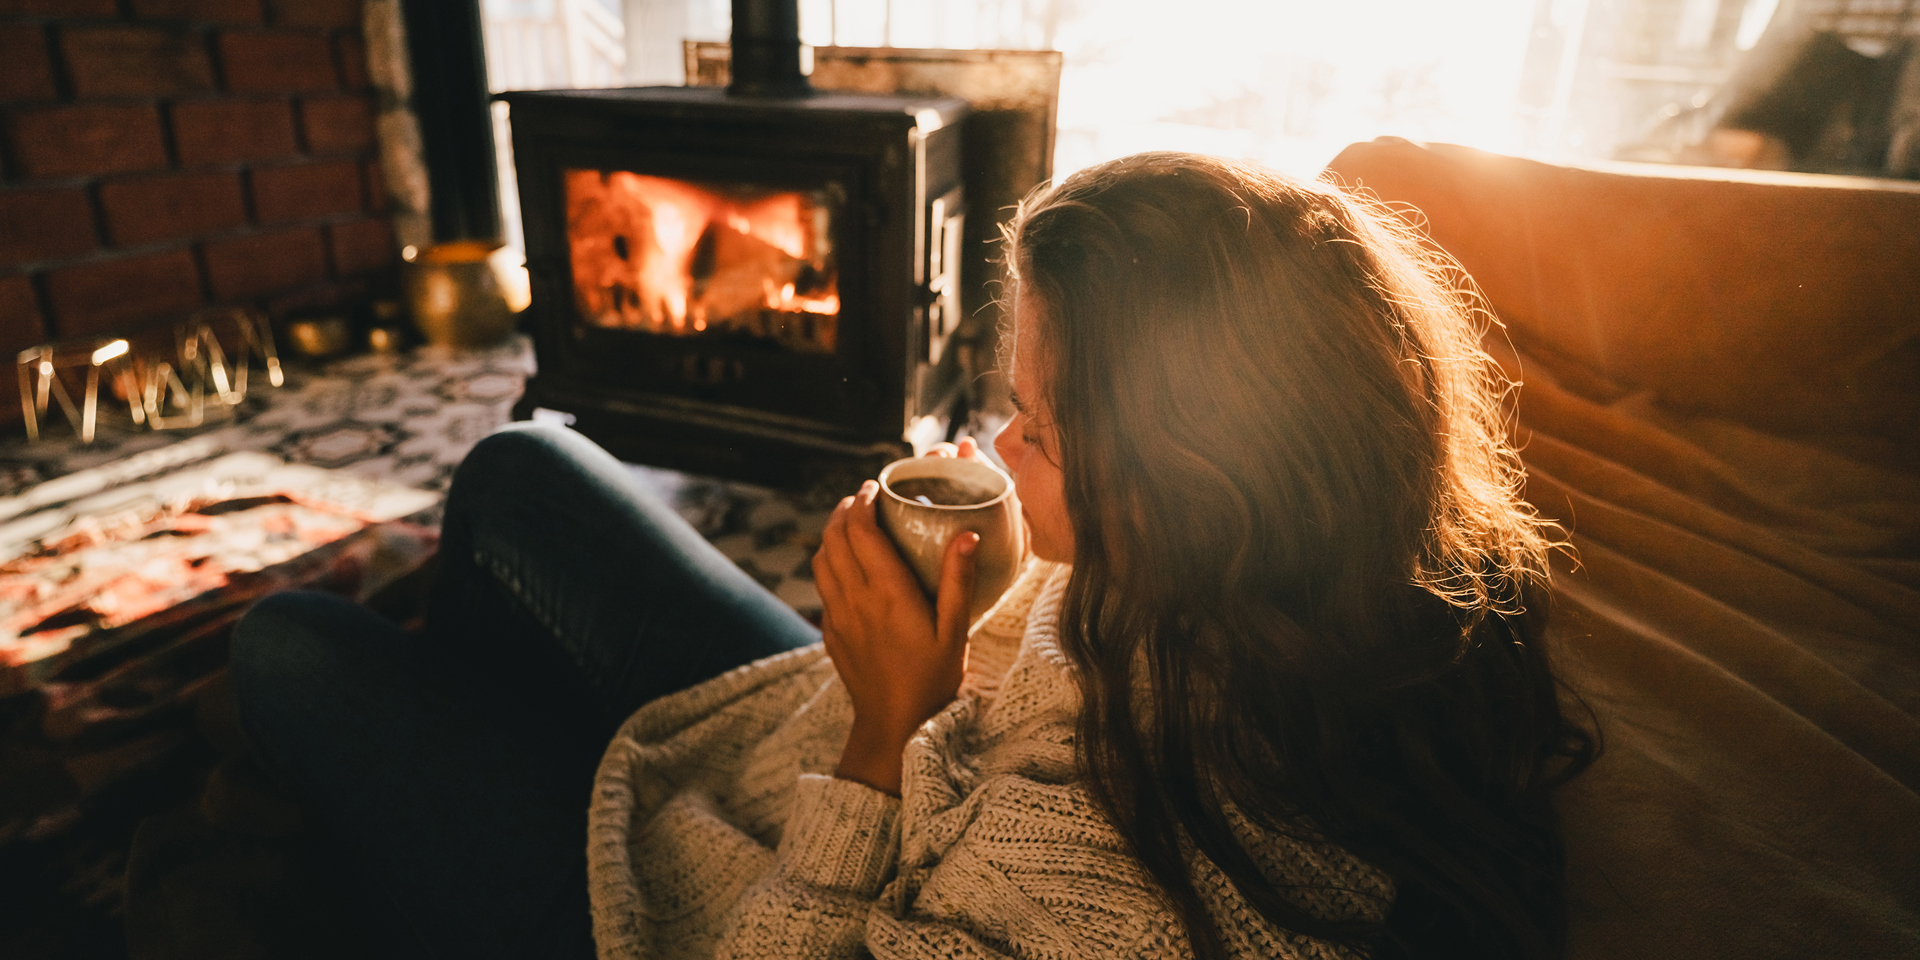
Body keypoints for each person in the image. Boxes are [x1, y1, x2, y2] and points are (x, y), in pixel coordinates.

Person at [232, 152, 1594, 960]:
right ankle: (492, 744)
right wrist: (977, 607)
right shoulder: (1325, 570)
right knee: (521, 466)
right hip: (838, 733)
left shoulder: (1107, 881)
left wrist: (886, 728)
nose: (1001, 440)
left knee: (288, 647)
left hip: (759, 865)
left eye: (1041, 428)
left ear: (1188, 485)